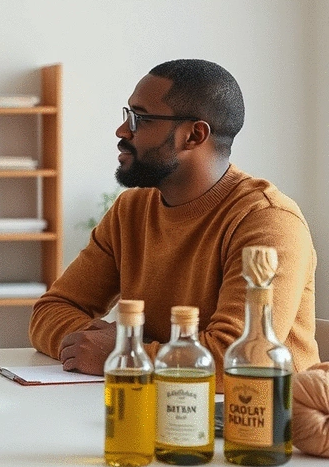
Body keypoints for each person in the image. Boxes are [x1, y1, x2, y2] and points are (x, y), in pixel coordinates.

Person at [29, 59, 320, 390]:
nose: (122, 131)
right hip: (161, 404)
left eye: (140, 119)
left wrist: (125, 354)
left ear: (194, 135)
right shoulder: (131, 209)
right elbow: (51, 310)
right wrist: (110, 348)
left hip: (263, 426)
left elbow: (238, 360)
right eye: (127, 115)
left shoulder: (268, 222)